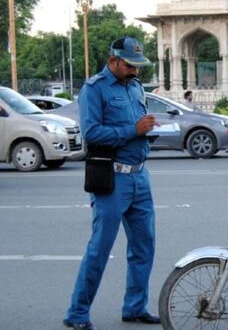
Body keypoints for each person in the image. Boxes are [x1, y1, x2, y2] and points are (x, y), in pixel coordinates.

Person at [63, 37, 160, 330]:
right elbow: (92, 134)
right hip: (112, 179)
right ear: (113, 60)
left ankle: (134, 307)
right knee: (100, 248)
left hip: (140, 176)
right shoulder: (94, 89)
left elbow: (136, 125)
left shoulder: (135, 86)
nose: (135, 71)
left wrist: (146, 130)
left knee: (144, 247)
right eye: (130, 65)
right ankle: (77, 314)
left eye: (138, 66)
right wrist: (133, 129)